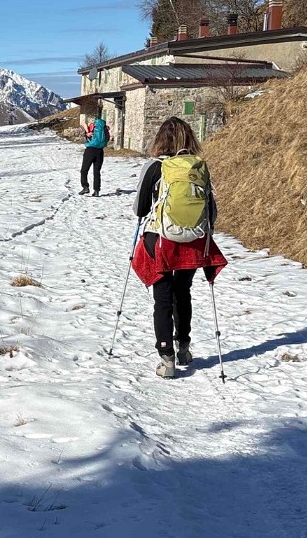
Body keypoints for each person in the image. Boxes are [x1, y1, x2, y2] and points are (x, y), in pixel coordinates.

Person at [131, 117, 227, 378]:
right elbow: (211, 209)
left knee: (162, 297)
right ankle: (183, 347)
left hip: (161, 239)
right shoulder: (198, 168)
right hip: (193, 240)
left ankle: (167, 358)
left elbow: (139, 209)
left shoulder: (155, 167)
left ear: (160, 138)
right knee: (183, 292)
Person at [80, 115, 109, 195]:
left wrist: (87, 133)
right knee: (97, 172)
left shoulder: (92, 126)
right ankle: (96, 190)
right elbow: (108, 138)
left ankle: (85, 187)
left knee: (84, 170)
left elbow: (85, 130)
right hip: (100, 151)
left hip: (90, 150)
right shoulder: (104, 128)